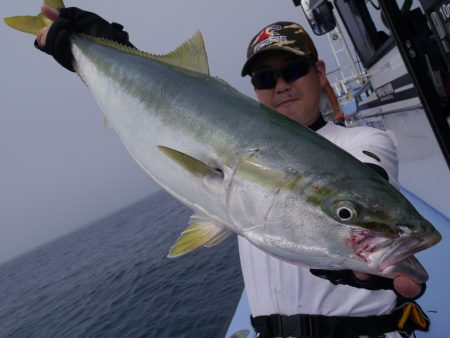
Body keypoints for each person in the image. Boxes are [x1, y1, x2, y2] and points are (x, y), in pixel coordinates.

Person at [35, 6, 429, 337]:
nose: (280, 85)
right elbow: (173, 99)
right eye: (264, 78)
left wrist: (364, 266)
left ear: (319, 71)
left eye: (293, 69)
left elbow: (370, 180)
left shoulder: (361, 142)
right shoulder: (239, 134)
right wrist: (101, 47)